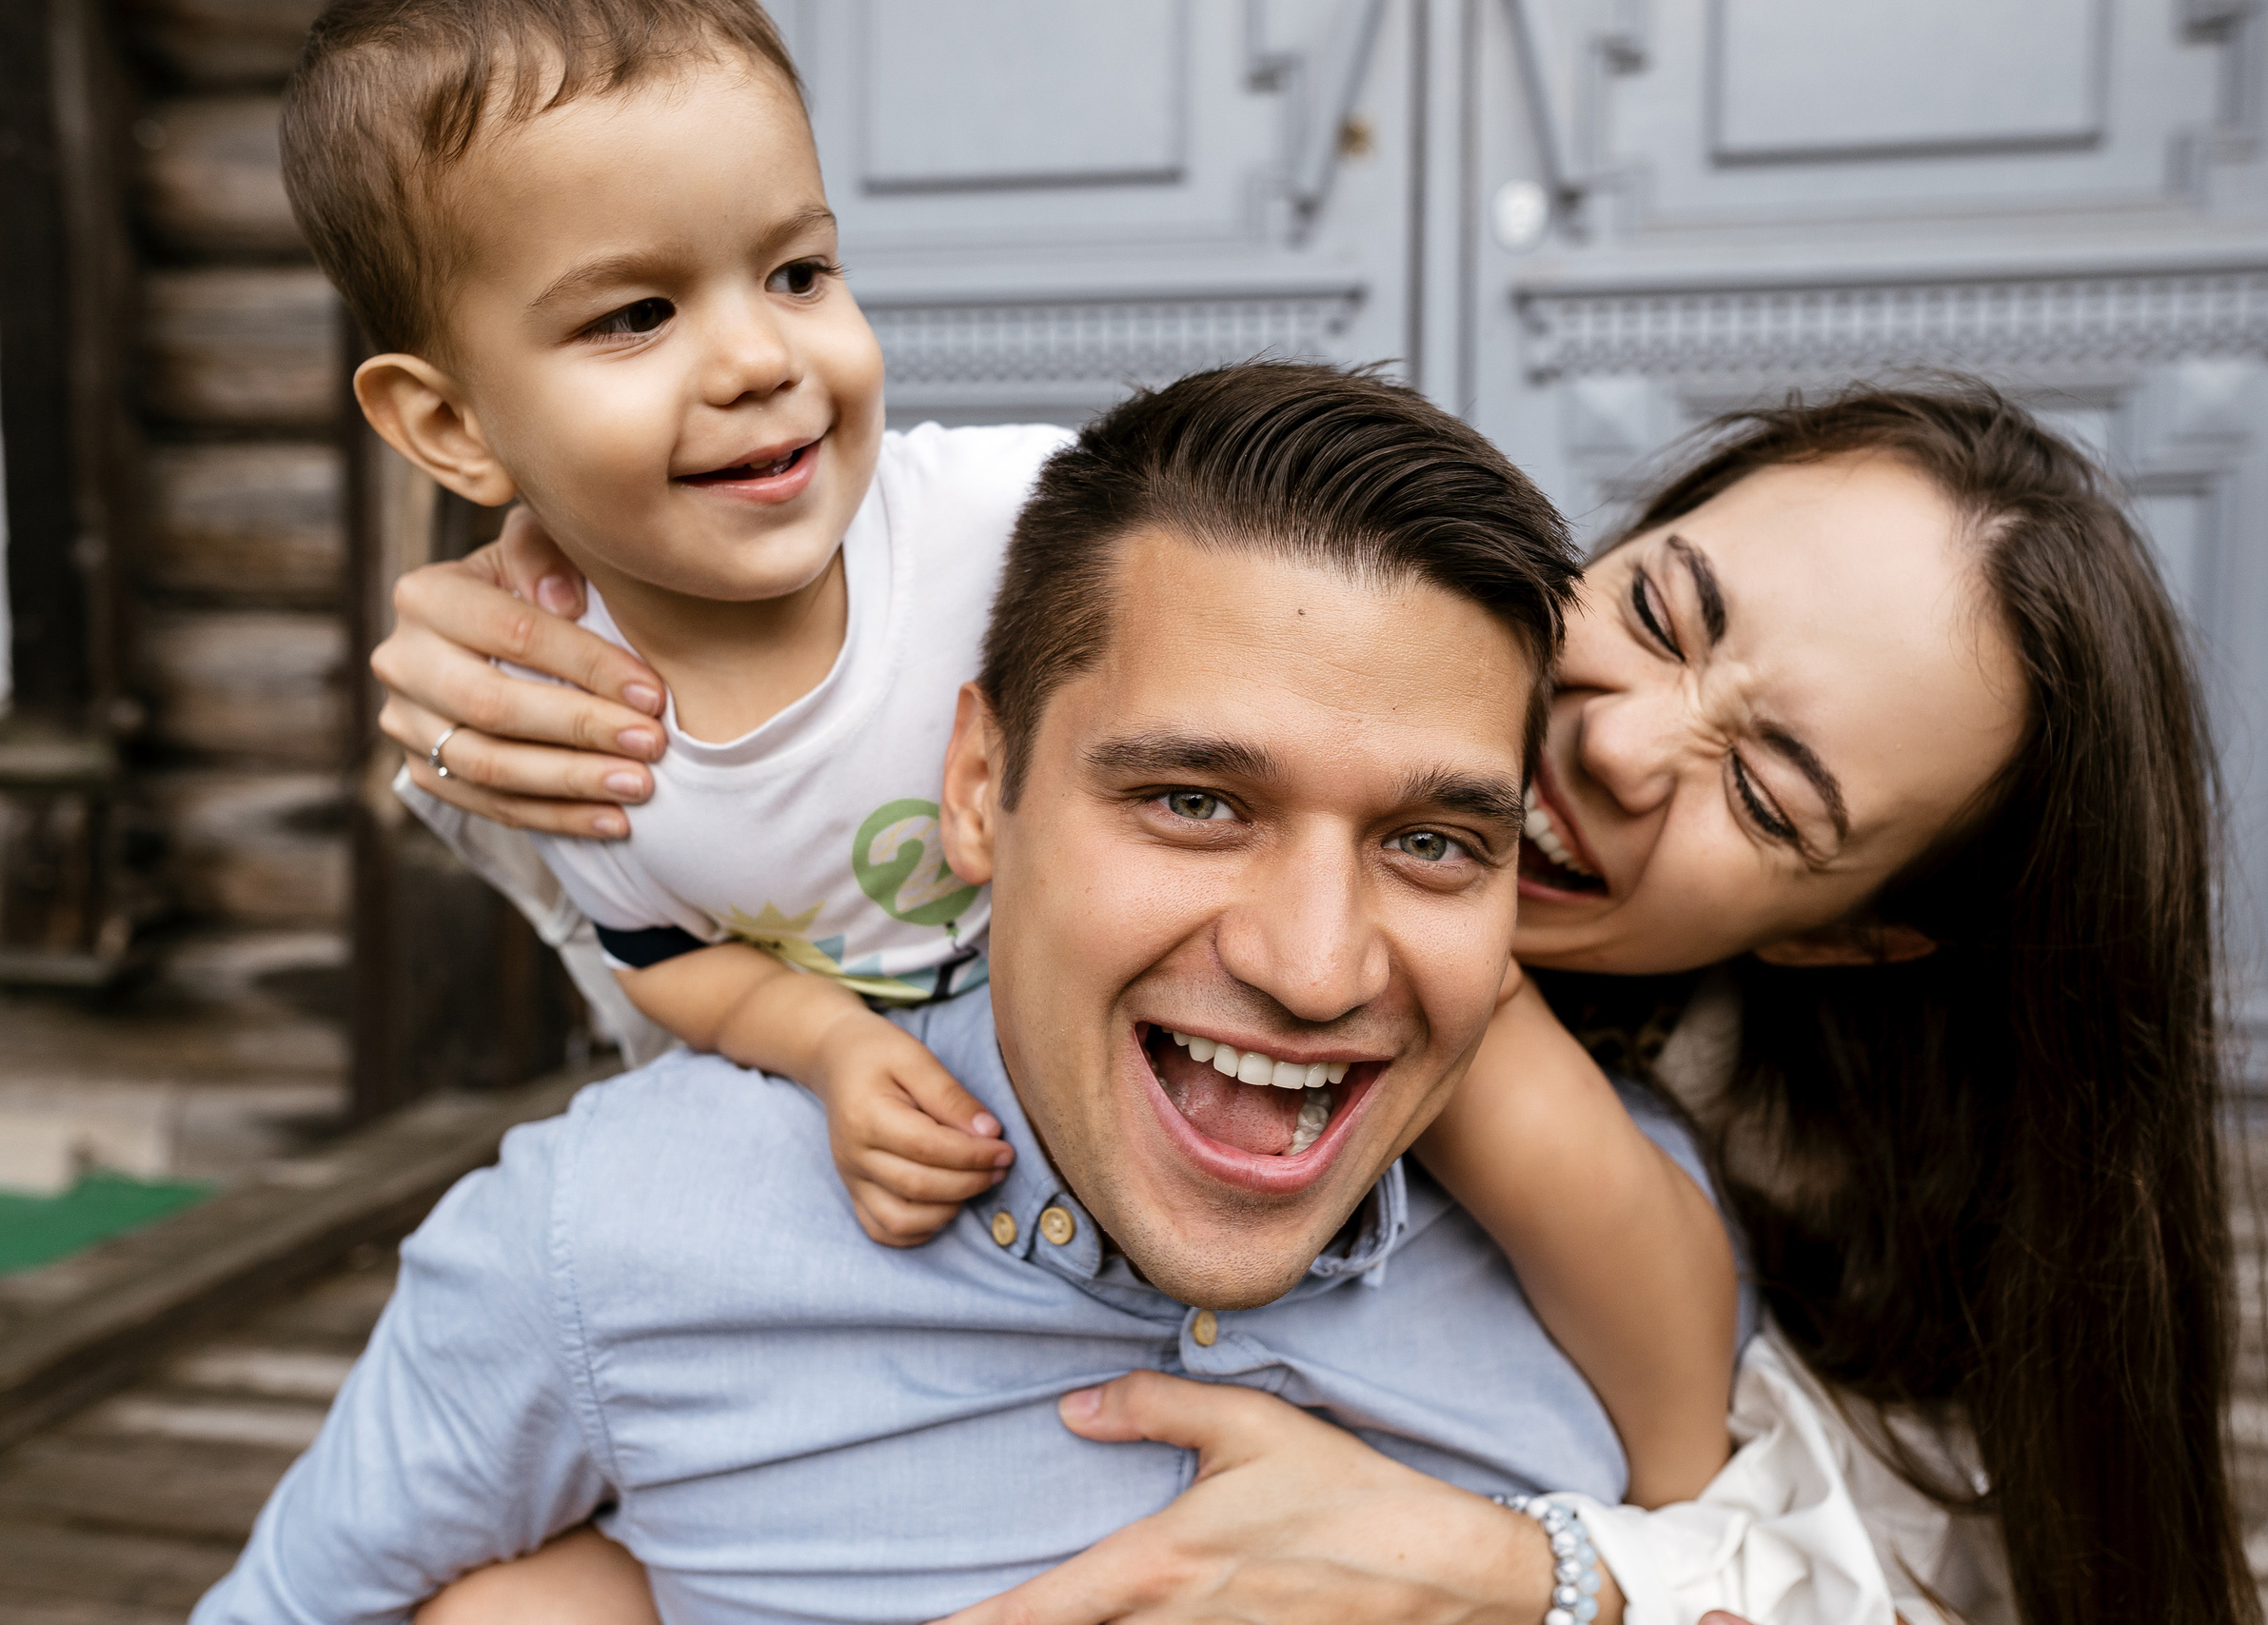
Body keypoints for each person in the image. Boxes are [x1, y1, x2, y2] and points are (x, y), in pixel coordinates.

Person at [385, 383, 2258, 1625]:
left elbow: (1834, 1552)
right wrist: (543, 652)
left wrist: (1515, 1569)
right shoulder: (1283, 625)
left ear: (1845, 937)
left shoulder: (1794, 1195)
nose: (1605, 741)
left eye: (1766, 795)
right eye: (1662, 612)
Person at [283, 0, 1740, 1519]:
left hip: (1182, 1061)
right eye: (633, 317)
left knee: (1498, 1068)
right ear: (449, 426)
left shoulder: (994, 516)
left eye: (797, 271)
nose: (759, 358)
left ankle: (1697, 1474)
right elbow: (657, 949)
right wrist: (834, 1051)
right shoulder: (561, 731)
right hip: (955, 1142)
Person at [195, 329, 1738, 1624]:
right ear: (980, 787)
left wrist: (1549, 1580)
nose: (1316, 968)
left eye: (1433, 843)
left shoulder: (1643, 1268)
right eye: (1194, 802)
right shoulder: (604, 1247)